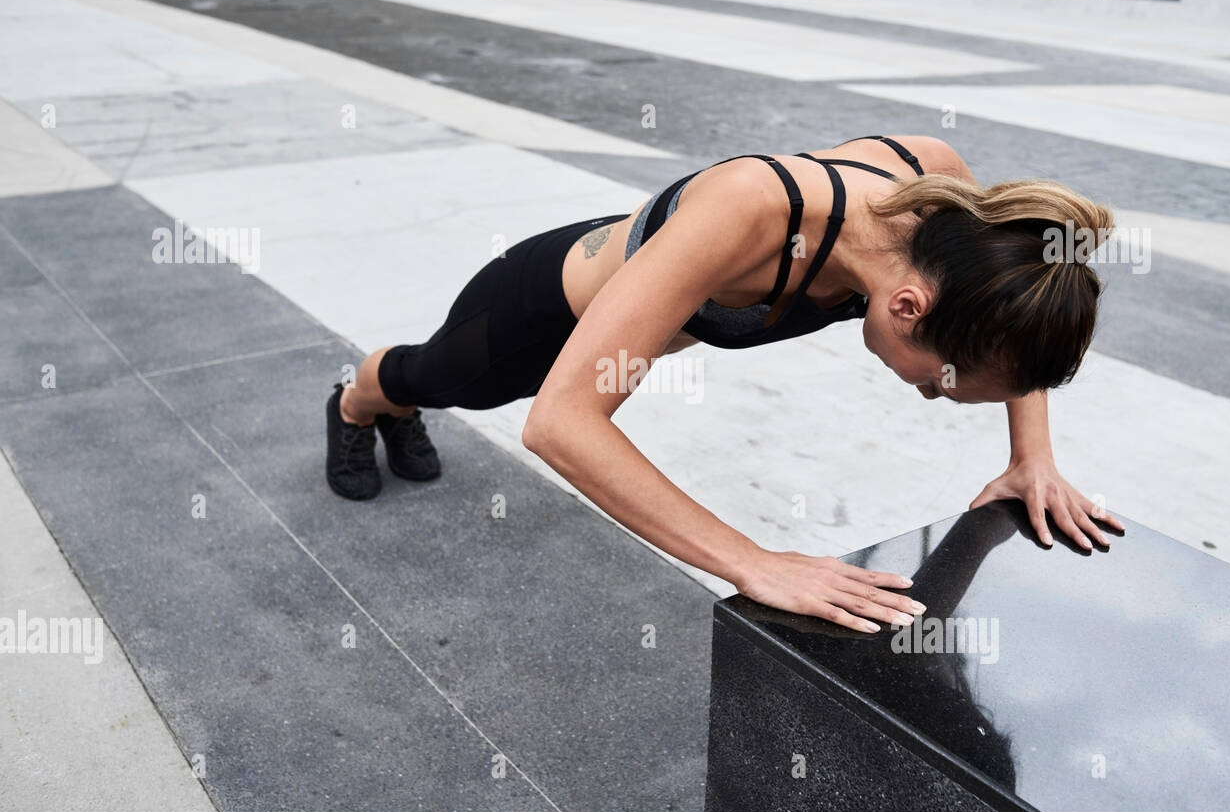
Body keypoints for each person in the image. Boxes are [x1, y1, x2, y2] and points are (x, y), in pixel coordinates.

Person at [324, 135, 1125, 633]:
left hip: (633, 320)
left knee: (444, 383)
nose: (932, 393)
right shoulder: (751, 208)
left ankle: (391, 408)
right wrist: (752, 560)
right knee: (432, 376)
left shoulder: (947, 205)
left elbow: (1015, 307)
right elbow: (561, 422)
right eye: (940, 385)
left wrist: (1034, 456)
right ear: (908, 306)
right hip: (537, 313)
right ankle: (358, 404)